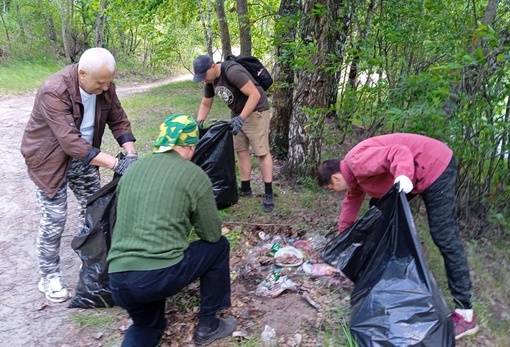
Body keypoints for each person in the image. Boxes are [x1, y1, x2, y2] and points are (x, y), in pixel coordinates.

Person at [317, 133, 478, 340]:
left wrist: (402, 175)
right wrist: (341, 247)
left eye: (333, 188)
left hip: (435, 165)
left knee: (443, 235)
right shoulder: (355, 182)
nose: (336, 191)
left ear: (336, 178)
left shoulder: (357, 162)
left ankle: (466, 314)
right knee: (378, 212)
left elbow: (398, 152)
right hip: (413, 171)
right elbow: (349, 211)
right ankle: (380, 274)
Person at [107, 114, 236, 347]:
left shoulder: (133, 171)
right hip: (157, 275)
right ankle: (209, 325)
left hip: (118, 279)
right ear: (189, 145)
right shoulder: (193, 174)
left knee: (147, 326)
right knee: (219, 247)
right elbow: (212, 234)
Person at [20, 47, 138, 303]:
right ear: (82, 74)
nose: (106, 88)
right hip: (49, 161)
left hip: (85, 158)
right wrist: (115, 165)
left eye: (109, 82)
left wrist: (130, 154)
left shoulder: (105, 86)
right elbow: (70, 142)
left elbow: (118, 120)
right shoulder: (55, 90)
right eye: (100, 83)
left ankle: (93, 262)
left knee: (93, 209)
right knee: (54, 218)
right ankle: (48, 275)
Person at [192, 54, 275, 212]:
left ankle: (268, 192)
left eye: (204, 76)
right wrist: (199, 122)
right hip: (238, 114)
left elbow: (255, 95)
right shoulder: (210, 80)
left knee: (261, 152)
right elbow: (205, 102)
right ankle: (245, 187)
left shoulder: (231, 71)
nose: (203, 80)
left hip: (257, 111)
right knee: (241, 150)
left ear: (212, 66)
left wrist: (241, 118)